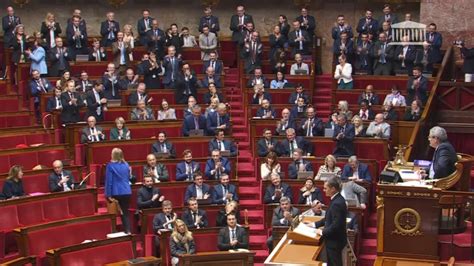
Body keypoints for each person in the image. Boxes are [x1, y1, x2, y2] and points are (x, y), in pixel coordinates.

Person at [312, 177, 347, 266]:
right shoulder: (336, 199)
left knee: (335, 263)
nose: (324, 190)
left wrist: (322, 231)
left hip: (334, 241)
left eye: (325, 188)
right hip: (334, 239)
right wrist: (314, 224)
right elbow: (328, 218)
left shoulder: (337, 203)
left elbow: (336, 225)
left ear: (333, 189)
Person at [105, 148, 132, 234]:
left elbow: (109, 181)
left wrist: (108, 194)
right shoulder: (126, 164)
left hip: (116, 192)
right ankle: (128, 231)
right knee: (125, 212)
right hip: (126, 191)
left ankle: (113, 231)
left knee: (113, 213)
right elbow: (128, 177)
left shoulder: (110, 166)